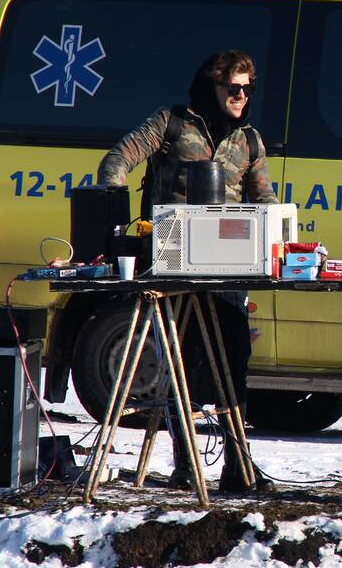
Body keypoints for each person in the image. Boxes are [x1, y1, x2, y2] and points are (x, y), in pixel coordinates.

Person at [98, 49, 276, 493]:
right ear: (211, 86)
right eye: (233, 87)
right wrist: (114, 219)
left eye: (248, 89)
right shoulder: (172, 123)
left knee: (233, 362)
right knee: (181, 363)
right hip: (173, 261)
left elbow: (264, 199)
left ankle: (238, 466)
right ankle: (185, 466)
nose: (241, 96)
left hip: (229, 267)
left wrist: (281, 238)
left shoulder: (249, 140)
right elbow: (117, 159)